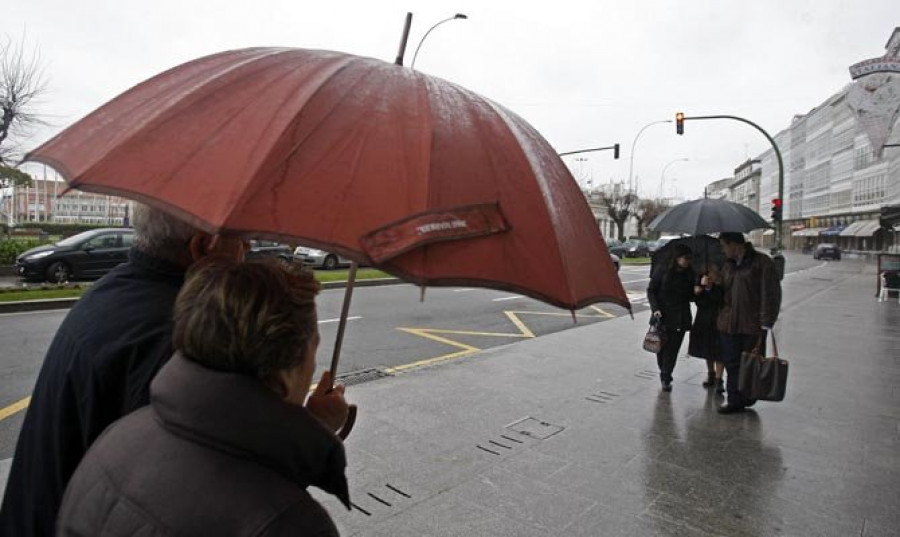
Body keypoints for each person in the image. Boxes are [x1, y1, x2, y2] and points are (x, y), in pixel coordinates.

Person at [0, 204, 249, 537]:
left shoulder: (114, 291)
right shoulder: (178, 335)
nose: (247, 250)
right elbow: (189, 503)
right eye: (241, 240)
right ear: (204, 246)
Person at [56, 257, 352, 536]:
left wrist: (315, 426)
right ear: (284, 371)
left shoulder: (117, 436)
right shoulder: (296, 525)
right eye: (313, 347)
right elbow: (258, 499)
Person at [714, 232, 781, 414]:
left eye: (724, 246)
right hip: (728, 324)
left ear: (734, 245)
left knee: (750, 364)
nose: (723, 250)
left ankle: (748, 396)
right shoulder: (727, 266)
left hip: (752, 325)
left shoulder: (761, 263)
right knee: (731, 362)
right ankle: (734, 399)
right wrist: (712, 283)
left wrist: (766, 322)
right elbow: (723, 294)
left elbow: (771, 294)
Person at [647, 243, 696, 392]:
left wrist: (698, 290)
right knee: (660, 349)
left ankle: (666, 376)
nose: (687, 261)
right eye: (684, 258)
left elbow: (690, 297)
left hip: (680, 317)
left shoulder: (690, 273)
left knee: (672, 350)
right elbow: (651, 290)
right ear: (676, 258)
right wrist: (655, 309)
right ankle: (664, 371)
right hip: (662, 315)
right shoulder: (662, 270)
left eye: (689, 258)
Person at [689, 264, 725, 393]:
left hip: (719, 320)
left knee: (719, 351)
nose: (710, 274)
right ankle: (711, 373)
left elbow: (719, 299)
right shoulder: (701, 279)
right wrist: (701, 289)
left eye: (713, 271)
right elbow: (699, 302)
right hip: (704, 320)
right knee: (707, 349)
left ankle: (719, 379)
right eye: (709, 271)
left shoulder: (723, 283)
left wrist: (710, 288)